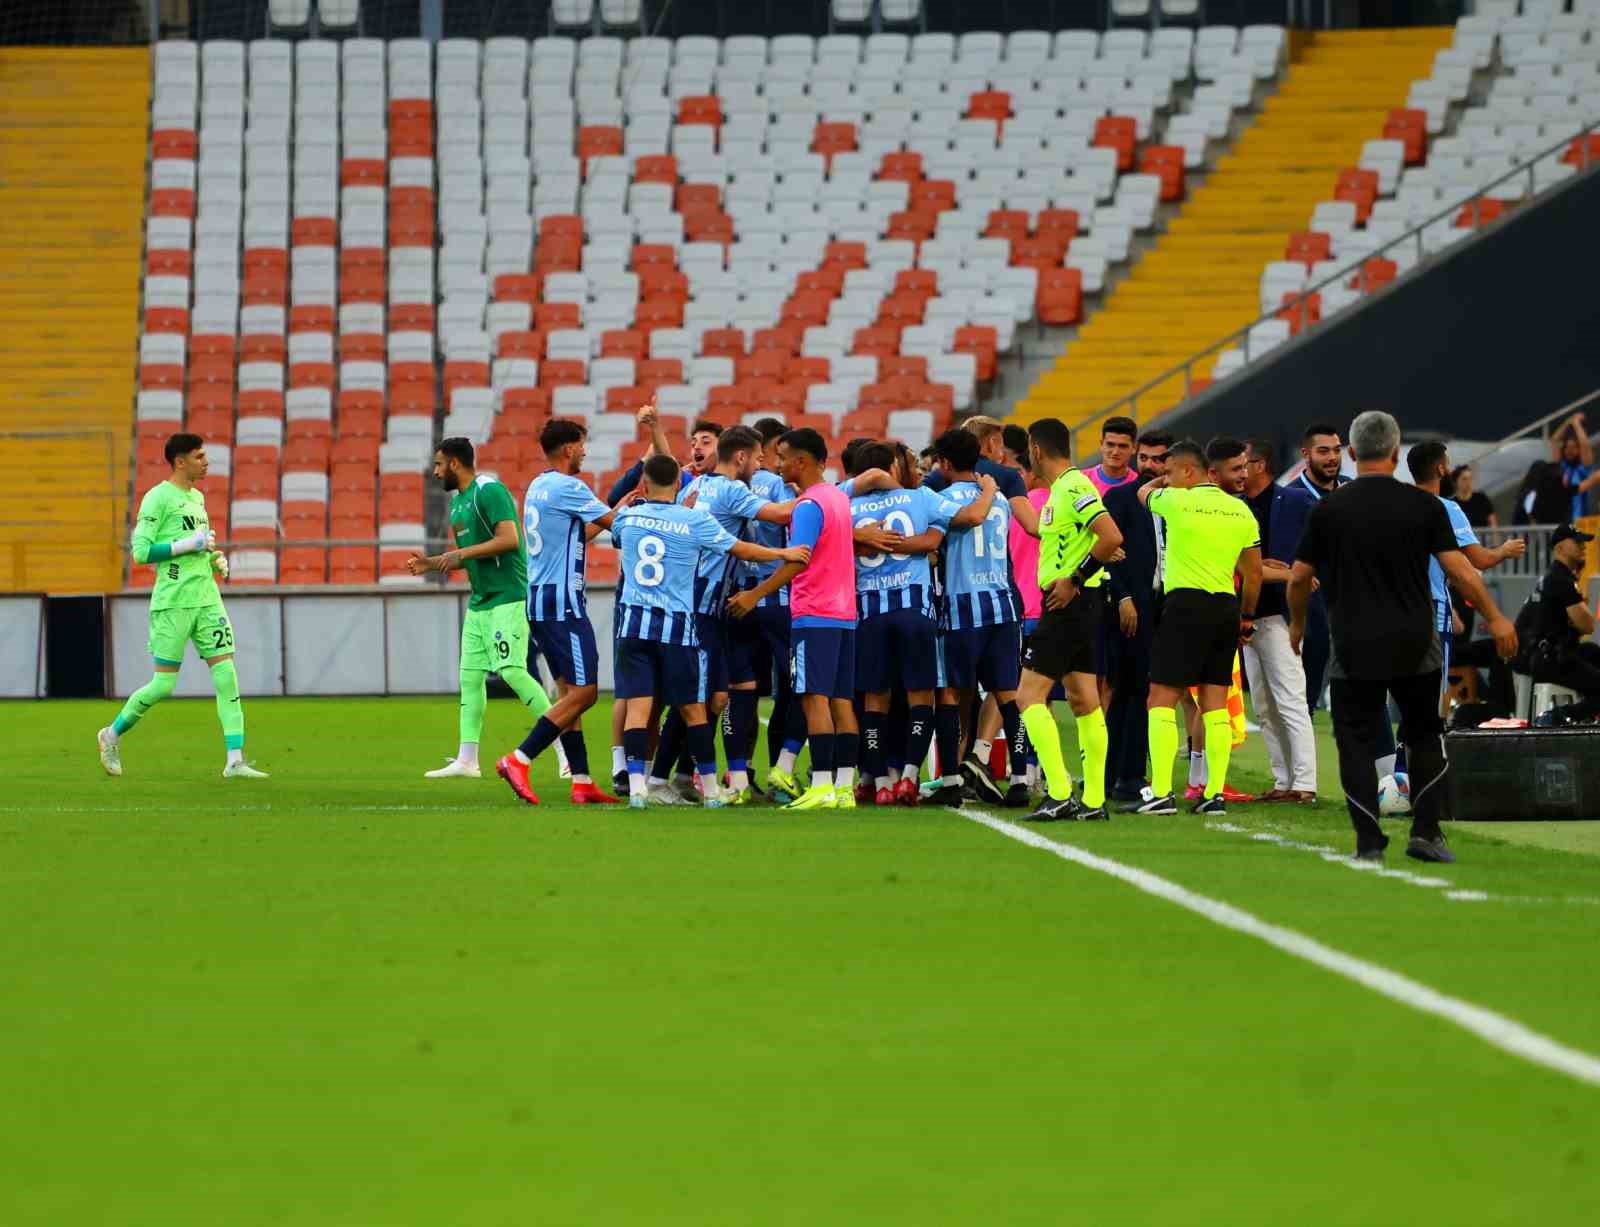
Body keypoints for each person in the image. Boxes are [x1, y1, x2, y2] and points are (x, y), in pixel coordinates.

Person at [1288, 410, 1518, 864]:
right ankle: (1426, 833)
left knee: (1353, 738)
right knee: (1423, 734)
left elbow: (1298, 578)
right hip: (1416, 639)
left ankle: (1368, 840)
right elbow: (1460, 570)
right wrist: (1495, 617)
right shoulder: (1426, 507)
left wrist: (1297, 623)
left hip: (1353, 639)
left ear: (1352, 454)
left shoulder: (1329, 509)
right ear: (1395, 454)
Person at [593, 454, 808, 809]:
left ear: (644, 484)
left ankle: (637, 789)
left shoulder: (628, 518)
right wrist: (783, 552)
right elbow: (741, 548)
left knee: (639, 709)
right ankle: (710, 790)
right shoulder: (694, 520)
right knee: (695, 709)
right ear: (678, 485)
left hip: (632, 626)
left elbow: (615, 529)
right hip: (677, 628)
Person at [98, 432, 267, 779]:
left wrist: (212, 560)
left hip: (206, 600)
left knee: (226, 675)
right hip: (173, 602)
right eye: (200, 457)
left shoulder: (198, 499)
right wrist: (186, 544)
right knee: (163, 686)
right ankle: (111, 734)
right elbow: (141, 552)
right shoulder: (157, 499)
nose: (206, 463)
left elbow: (197, 551)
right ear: (180, 461)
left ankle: (234, 759)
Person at [645, 426, 794, 805]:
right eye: (759, 458)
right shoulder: (732, 490)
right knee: (697, 695)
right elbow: (777, 515)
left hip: (700, 603)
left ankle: (684, 777)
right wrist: (826, 496)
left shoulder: (697, 488)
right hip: (700, 607)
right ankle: (660, 779)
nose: (761, 465)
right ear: (741, 457)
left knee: (710, 695)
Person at [846, 442, 996, 804]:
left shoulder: (847, 506)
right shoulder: (920, 498)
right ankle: (910, 778)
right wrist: (989, 488)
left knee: (874, 702)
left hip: (870, 612)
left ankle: (880, 783)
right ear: (892, 468)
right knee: (921, 697)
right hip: (914, 611)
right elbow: (972, 516)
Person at [406, 437, 558, 783]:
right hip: (481, 601)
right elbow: (471, 557)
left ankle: (564, 749)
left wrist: (459, 555)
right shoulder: (458, 504)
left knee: (514, 672)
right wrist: (433, 563)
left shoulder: (489, 490)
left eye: (439, 464)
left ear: (456, 464)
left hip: (509, 597)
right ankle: (467, 760)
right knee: (470, 678)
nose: (435, 471)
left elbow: (509, 540)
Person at [1130, 438, 1263, 818]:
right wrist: (1246, 618)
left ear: (1189, 471)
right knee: (1214, 703)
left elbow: (1142, 493)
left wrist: (1161, 483)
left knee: (1160, 698)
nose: (1165, 478)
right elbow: (1252, 574)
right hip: (1225, 607)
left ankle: (1159, 792)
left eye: (1171, 471)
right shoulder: (1241, 512)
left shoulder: (1176, 500)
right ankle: (1215, 793)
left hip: (1185, 605)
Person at [730, 427, 861, 810]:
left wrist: (755, 595)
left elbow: (797, 558)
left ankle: (820, 786)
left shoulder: (807, 506)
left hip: (814, 613)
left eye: (783, 457)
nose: (777, 463)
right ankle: (844, 788)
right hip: (843, 614)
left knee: (813, 699)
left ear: (801, 462)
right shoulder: (837, 498)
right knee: (841, 702)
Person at [491, 420, 619, 805]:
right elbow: (617, 527)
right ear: (568, 449)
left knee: (567, 693)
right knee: (585, 692)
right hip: (562, 603)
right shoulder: (570, 487)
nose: (584, 452)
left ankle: (581, 781)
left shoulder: (539, 486)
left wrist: (618, 508)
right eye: (581, 446)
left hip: (541, 598)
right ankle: (519, 758)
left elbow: (578, 534)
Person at [1016, 417, 1125, 822]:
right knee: (1083, 700)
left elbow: (1111, 535)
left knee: (1028, 696)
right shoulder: (1059, 491)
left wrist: (1075, 579)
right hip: (1078, 604)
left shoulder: (1075, 487)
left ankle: (1059, 792)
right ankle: (1094, 801)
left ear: (1037, 449)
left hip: (1068, 604)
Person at [931, 428, 1031, 805]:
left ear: (943, 463)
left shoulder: (943, 501)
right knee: (1008, 696)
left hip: (962, 608)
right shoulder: (1002, 501)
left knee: (952, 694)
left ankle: (952, 782)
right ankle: (1020, 779)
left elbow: (935, 547)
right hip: (1003, 606)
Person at [1238, 438, 1319, 802]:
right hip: (1248, 616)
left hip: (1281, 615)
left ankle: (1305, 782)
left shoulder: (1297, 501)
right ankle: (1283, 779)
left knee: (1290, 700)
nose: (1240, 471)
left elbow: (1319, 545)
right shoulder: (1235, 505)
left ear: (1261, 465)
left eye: (1245, 464)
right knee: (1264, 706)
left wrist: (1308, 576)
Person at [1103, 429, 1173, 802]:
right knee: (1128, 690)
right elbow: (1106, 552)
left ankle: (1124, 774)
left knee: (1148, 692)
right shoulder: (1121, 498)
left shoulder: (1179, 502)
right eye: (1144, 458)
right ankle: (1123, 774)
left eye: (1158, 459)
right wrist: (1124, 596)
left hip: (1167, 608)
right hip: (1130, 609)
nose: (1149, 465)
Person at [1294, 422, 1349, 714]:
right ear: (1306, 454)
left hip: (1354, 602)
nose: (1332, 458)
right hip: (1313, 605)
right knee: (1305, 694)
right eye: (1323, 451)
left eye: (1336, 450)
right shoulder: (1291, 497)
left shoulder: (1353, 490)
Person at [1523, 524, 1600, 722]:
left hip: (1553, 653)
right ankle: (1558, 717)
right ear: (1559, 548)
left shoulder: (1557, 576)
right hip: (1551, 658)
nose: (1583, 546)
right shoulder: (1560, 579)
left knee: (1592, 650)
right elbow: (1587, 625)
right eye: (1577, 542)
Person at [1552, 411, 1598, 521]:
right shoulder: (1562, 467)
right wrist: (1568, 422)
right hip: (1563, 520)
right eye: (1567, 448)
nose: (1569, 451)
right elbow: (1554, 441)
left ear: (1579, 450)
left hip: (1583, 520)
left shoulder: (1583, 469)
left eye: (1573, 448)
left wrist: (1576, 424)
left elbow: (1584, 443)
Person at [1085, 415, 1139, 499]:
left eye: (1122, 446)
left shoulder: (1139, 486)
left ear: (1134, 448)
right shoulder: (1081, 480)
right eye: (1110, 444)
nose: (1115, 452)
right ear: (1101, 444)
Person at [1450, 464, 1496, 529]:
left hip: (1482, 538)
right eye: (1464, 479)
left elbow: (1493, 523)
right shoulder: (1452, 503)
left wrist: (1495, 538)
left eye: (1470, 478)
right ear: (1456, 482)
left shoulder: (1482, 499)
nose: (1468, 482)